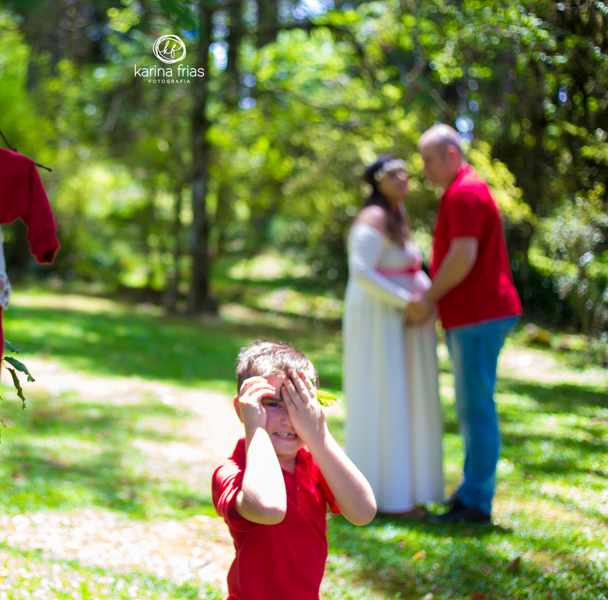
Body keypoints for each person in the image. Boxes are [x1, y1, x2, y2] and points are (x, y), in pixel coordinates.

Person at [212, 341, 376, 600]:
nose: (289, 419)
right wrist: (256, 427)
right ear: (242, 409)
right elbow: (269, 509)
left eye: (300, 404)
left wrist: (319, 435)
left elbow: (363, 512)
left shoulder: (316, 462)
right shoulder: (233, 472)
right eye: (273, 404)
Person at [416, 124, 522, 524]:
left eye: (429, 160)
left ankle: (476, 502)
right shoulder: (461, 190)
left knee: (476, 408)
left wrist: (428, 297)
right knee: (470, 405)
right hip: (474, 315)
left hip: (480, 315)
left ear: (451, 154)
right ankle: (469, 492)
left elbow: (462, 257)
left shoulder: (464, 192)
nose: (424, 169)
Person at [342, 156, 444, 518]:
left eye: (404, 172)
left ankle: (408, 490)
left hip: (403, 324)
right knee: (386, 396)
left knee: (407, 398)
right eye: (393, 174)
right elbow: (361, 272)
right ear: (377, 182)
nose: (403, 178)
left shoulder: (398, 217)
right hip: (380, 320)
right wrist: (406, 302)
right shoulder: (372, 218)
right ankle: (384, 496)